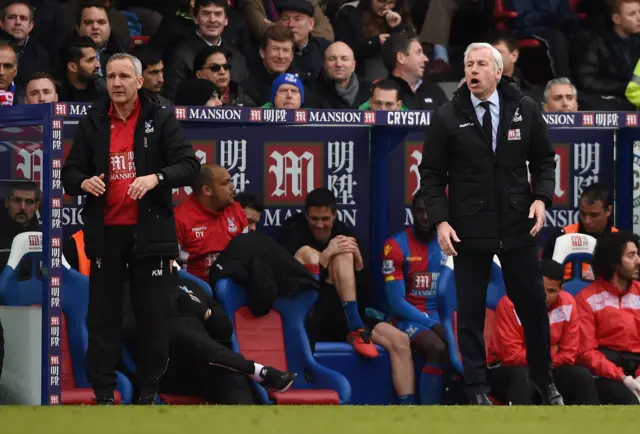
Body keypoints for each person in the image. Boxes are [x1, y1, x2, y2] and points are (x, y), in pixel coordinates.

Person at [419, 42, 560, 405]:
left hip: (519, 226)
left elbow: (544, 160)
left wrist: (542, 199)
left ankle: (544, 380)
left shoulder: (525, 109)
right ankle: (477, 389)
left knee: (532, 308)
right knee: (469, 313)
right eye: (468, 64)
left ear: (498, 72)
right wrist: (440, 223)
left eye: (482, 64)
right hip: (469, 229)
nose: (473, 70)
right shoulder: (448, 116)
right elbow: (432, 175)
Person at [61, 53, 200, 405]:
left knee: (152, 317)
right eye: (110, 76)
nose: (117, 83)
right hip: (106, 233)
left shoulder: (160, 117)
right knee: (102, 318)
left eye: (124, 76)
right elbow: (69, 173)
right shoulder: (93, 120)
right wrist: (84, 182)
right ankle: (104, 395)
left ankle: (149, 392)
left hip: (149, 234)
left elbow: (189, 166)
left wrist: (156, 178)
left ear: (140, 82)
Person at [279, 188, 421, 404]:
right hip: (311, 314)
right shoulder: (293, 232)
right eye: (314, 219)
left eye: (325, 219)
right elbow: (287, 280)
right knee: (309, 253)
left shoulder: (345, 234)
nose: (319, 224)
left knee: (400, 340)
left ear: (334, 216)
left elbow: (366, 292)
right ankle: (355, 327)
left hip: (346, 312)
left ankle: (408, 408)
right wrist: (326, 256)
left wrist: (359, 264)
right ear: (306, 216)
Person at [487, 259, 600, 405]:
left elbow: (569, 356)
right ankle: (518, 426)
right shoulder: (510, 304)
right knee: (524, 376)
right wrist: (552, 351)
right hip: (505, 370)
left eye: (551, 291)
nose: (543, 296)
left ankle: (589, 425)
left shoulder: (568, 303)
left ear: (561, 289)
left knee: (582, 376)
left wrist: (539, 357)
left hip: (548, 369)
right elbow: (512, 357)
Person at [382, 195, 448, 404]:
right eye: (420, 211)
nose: (425, 217)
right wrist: (431, 323)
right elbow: (396, 302)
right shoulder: (396, 245)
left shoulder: (449, 241)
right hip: (408, 317)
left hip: (442, 314)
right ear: (412, 211)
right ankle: (429, 413)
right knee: (437, 348)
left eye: (430, 211)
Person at [576, 231, 640, 404]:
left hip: (638, 368)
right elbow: (586, 352)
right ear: (613, 263)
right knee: (631, 402)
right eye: (631, 255)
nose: (638, 261)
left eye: (637, 254)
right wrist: (622, 377)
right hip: (606, 372)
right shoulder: (587, 297)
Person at [175, 164, 248, 282]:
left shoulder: (237, 210)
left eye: (231, 181)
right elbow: (170, 265)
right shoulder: (180, 218)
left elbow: (246, 253)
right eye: (225, 183)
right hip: (195, 287)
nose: (232, 187)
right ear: (207, 190)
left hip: (232, 283)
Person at [543, 183, 618, 280]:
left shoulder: (620, 242)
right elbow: (543, 277)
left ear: (608, 211)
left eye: (594, 215)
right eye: (583, 213)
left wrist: (603, 277)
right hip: (565, 292)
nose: (587, 221)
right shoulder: (561, 236)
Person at [0, 180, 40, 271]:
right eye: (17, 200)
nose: (22, 207)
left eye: (29, 202)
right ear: (7, 202)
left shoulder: (45, 236)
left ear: (36, 207)